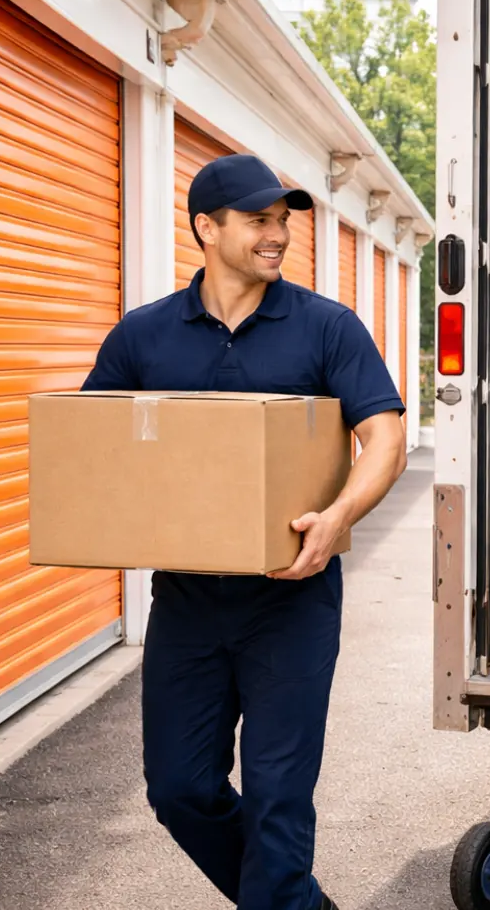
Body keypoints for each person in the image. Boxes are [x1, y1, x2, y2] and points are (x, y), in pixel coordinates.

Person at [81, 154, 408, 909]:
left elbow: (384, 439)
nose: (278, 235)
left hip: (290, 603)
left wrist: (338, 517)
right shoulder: (144, 337)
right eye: (260, 220)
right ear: (207, 227)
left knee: (276, 804)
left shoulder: (326, 328)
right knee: (179, 788)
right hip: (188, 602)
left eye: (283, 220)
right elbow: (92, 448)